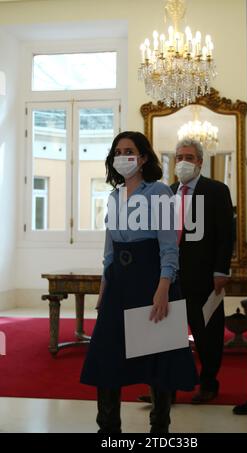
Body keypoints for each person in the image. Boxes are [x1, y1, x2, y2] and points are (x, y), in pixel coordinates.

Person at [80, 131, 198, 433]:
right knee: (107, 358)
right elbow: (109, 252)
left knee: (156, 359)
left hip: (151, 281)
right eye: (117, 151)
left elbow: (169, 247)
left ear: (143, 157)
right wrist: (102, 293)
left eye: (129, 150)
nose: (122, 156)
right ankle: (107, 430)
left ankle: (159, 429)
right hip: (118, 283)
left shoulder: (158, 192)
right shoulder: (113, 196)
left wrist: (163, 289)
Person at [138, 138, 234, 405]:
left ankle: (208, 384)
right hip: (170, 277)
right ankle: (166, 389)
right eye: (179, 157)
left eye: (189, 157)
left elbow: (226, 235)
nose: (183, 162)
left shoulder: (216, 191)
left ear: (200, 162)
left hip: (204, 277)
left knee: (207, 335)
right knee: (167, 334)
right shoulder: (166, 192)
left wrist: (221, 270)